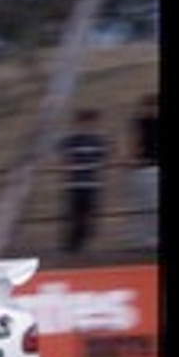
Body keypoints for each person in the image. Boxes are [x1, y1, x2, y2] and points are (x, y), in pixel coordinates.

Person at [57, 108, 109, 255]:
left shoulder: (99, 141)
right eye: (84, 123)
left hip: (92, 183)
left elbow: (105, 157)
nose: (87, 126)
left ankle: (80, 242)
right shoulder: (70, 140)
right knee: (75, 214)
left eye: (90, 123)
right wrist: (65, 168)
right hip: (75, 182)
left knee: (89, 213)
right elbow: (62, 156)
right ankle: (72, 245)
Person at [128, 94, 158, 250]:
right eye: (147, 106)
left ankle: (151, 238)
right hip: (144, 166)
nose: (150, 110)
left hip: (152, 166)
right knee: (141, 204)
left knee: (152, 205)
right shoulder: (139, 122)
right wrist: (134, 158)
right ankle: (139, 239)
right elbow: (135, 142)